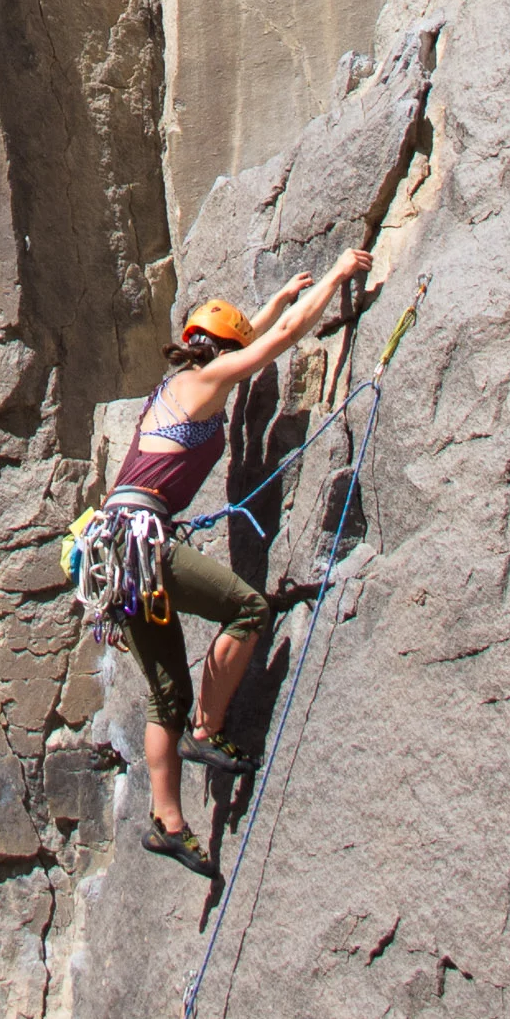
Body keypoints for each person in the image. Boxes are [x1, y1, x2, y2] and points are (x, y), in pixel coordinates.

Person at [116, 247, 372, 875]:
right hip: (142, 540)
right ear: (219, 352)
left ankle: (167, 822)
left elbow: (255, 331)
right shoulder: (206, 381)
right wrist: (336, 276)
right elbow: (275, 342)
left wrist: (282, 295)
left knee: (163, 697)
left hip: (115, 552)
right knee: (248, 608)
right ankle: (208, 732)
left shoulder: (171, 387)